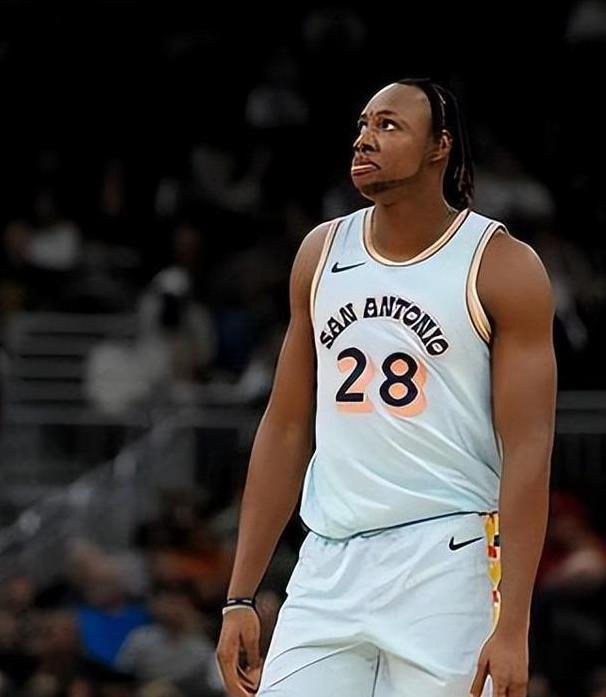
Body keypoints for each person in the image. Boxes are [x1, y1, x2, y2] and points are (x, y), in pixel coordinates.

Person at [215, 79, 556, 697]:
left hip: (447, 559)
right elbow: (286, 428)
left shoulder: (500, 264)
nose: (365, 139)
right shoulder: (321, 252)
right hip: (329, 559)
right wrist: (240, 595)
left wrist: (514, 624)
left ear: (439, 146)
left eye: (389, 125)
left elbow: (529, 450)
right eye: (363, 125)